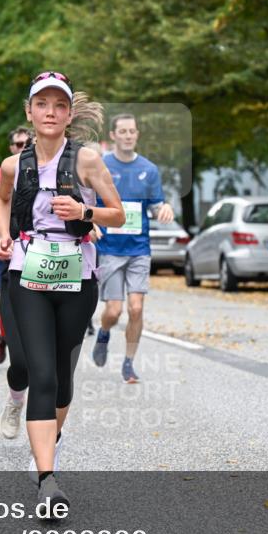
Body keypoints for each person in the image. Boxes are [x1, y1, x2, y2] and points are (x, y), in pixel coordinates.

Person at [0, 71, 125, 509]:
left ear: (69, 115)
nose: (50, 112)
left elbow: (119, 215)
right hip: (27, 273)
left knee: (63, 381)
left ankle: (51, 438)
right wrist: (3, 233)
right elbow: (1, 197)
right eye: (42, 104)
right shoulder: (14, 164)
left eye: (59, 105)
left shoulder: (86, 160)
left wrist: (85, 211)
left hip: (76, 275)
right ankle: (47, 480)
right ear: (30, 112)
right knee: (41, 374)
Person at [91, 113, 174, 383]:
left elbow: (156, 203)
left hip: (139, 248)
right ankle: (104, 333)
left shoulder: (148, 169)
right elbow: (89, 200)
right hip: (110, 248)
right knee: (114, 311)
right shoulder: (101, 166)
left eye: (132, 131)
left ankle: (128, 362)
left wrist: (165, 207)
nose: (128, 135)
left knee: (136, 309)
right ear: (113, 135)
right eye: (123, 131)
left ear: (137, 135)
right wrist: (90, 223)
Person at [0, 128, 34, 436]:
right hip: (11, 265)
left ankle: (46, 440)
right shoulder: (4, 171)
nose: (22, 149)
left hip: (51, 270)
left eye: (27, 144)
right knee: (21, 360)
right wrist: (1, 239)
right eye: (17, 144)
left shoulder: (60, 171)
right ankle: (15, 400)